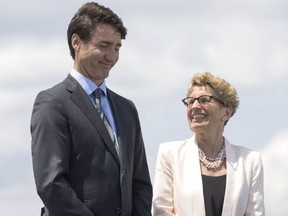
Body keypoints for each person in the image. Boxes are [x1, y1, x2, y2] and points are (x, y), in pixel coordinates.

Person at [31, 2, 152, 216]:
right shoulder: (52, 103)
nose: (112, 57)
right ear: (76, 42)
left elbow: (140, 183)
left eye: (117, 48)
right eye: (104, 46)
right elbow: (51, 184)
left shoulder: (127, 109)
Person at [152, 72, 265, 216]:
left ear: (226, 113)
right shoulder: (169, 154)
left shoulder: (250, 161)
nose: (194, 106)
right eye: (190, 101)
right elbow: (161, 211)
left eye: (204, 100)